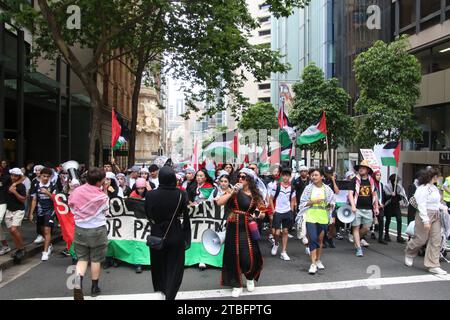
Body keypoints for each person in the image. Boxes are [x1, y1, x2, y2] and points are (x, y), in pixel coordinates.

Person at [216, 168, 267, 298]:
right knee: (233, 255)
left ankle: (250, 277)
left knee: (250, 254)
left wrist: (259, 215)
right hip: (233, 226)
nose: (240, 179)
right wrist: (233, 191)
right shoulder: (232, 191)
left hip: (248, 227)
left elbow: (262, 213)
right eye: (239, 176)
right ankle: (237, 284)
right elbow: (219, 202)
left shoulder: (256, 195)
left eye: (244, 177)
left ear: (250, 180)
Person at [144, 166, 191, 300]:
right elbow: (183, 212)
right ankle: (170, 295)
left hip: (157, 233)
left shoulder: (150, 194)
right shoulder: (181, 194)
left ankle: (162, 290)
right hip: (175, 232)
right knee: (175, 267)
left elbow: (148, 213)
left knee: (159, 264)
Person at [68, 167, 110, 300]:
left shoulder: (77, 191)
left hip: (80, 229)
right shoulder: (102, 196)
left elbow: (71, 206)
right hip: (98, 229)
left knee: (82, 259)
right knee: (96, 259)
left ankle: (77, 283)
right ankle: (94, 287)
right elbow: (106, 211)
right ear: (99, 182)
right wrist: (105, 191)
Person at [405, 168, 448, 275]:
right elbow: (421, 205)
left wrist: (442, 207)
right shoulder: (422, 188)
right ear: (434, 177)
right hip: (424, 215)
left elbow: (435, 202)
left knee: (436, 240)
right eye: (438, 176)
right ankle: (409, 253)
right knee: (420, 239)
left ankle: (433, 265)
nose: (440, 178)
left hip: (436, 215)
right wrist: (425, 220)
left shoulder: (434, 188)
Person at [299, 168, 335, 274]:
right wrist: (313, 201)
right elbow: (302, 203)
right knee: (313, 239)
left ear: (322, 177)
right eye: (312, 175)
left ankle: (318, 259)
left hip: (323, 217)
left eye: (316, 175)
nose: (313, 177)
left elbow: (333, 202)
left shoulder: (327, 189)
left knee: (320, 240)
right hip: (310, 217)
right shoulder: (308, 188)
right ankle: (313, 264)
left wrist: (330, 205)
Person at [348, 160, 379, 257]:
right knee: (356, 227)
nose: (361, 169)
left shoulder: (371, 181)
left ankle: (355, 238)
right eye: (360, 168)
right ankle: (358, 248)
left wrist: (376, 207)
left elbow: (374, 194)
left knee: (366, 228)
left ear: (367, 170)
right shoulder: (354, 180)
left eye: (363, 168)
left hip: (368, 208)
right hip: (357, 208)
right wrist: (353, 205)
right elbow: (350, 194)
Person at [29, 168, 56, 261]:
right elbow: (34, 199)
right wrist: (31, 212)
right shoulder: (36, 185)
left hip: (50, 210)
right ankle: (49, 245)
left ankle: (45, 252)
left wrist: (48, 193)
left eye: (48, 176)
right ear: (40, 175)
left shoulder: (53, 186)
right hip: (40, 210)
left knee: (47, 229)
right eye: (44, 176)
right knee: (42, 230)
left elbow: (56, 199)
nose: (45, 178)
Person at [269, 167, 296, 261]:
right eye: (284, 175)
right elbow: (270, 198)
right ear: (281, 176)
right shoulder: (277, 186)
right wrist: (273, 210)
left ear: (290, 177)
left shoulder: (292, 188)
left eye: (287, 175)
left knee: (285, 231)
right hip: (278, 211)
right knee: (276, 233)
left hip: (287, 211)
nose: (285, 177)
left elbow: (293, 200)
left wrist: (291, 210)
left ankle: (284, 252)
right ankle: (276, 244)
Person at [5, 168, 27, 263]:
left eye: (15, 175)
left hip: (18, 210)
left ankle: (22, 248)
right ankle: (19, 249)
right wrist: (14, 184)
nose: (13, 177)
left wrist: (15, 192)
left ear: (18, 176)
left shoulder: (21, 186)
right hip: (9, 210)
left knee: (14, 229)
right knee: (12, 232)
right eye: (12, 175)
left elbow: (23, 199)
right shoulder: (8, 182)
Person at [384, 174, 408, 243]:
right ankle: (386, 235)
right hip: (389, 205)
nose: (397, 182)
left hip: (396, 205)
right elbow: (386, 196)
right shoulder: (387, 186)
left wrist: (398, 195)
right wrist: (391, 194)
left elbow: (402, 196)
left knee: (399, 219)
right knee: (388, 219)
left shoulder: (399, 187)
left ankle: (399, 236)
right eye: (396, 180)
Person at [372, 170, 388, 245]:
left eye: (380, 175)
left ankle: (380, 238)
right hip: (372, 205)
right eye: (377, 175)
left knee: (381, 220)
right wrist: (375, 204)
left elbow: (383, 195)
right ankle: (363, 237)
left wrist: (382, 203)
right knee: (367, 221)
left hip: (380, 206)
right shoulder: (372, 184)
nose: (379, 176)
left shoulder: (381, 184)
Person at [0, 168, 11, 256]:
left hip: (2, 203)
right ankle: (5, 245)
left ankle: (5, 245)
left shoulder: (6, 177)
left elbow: (22, 177)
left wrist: (15, 184)